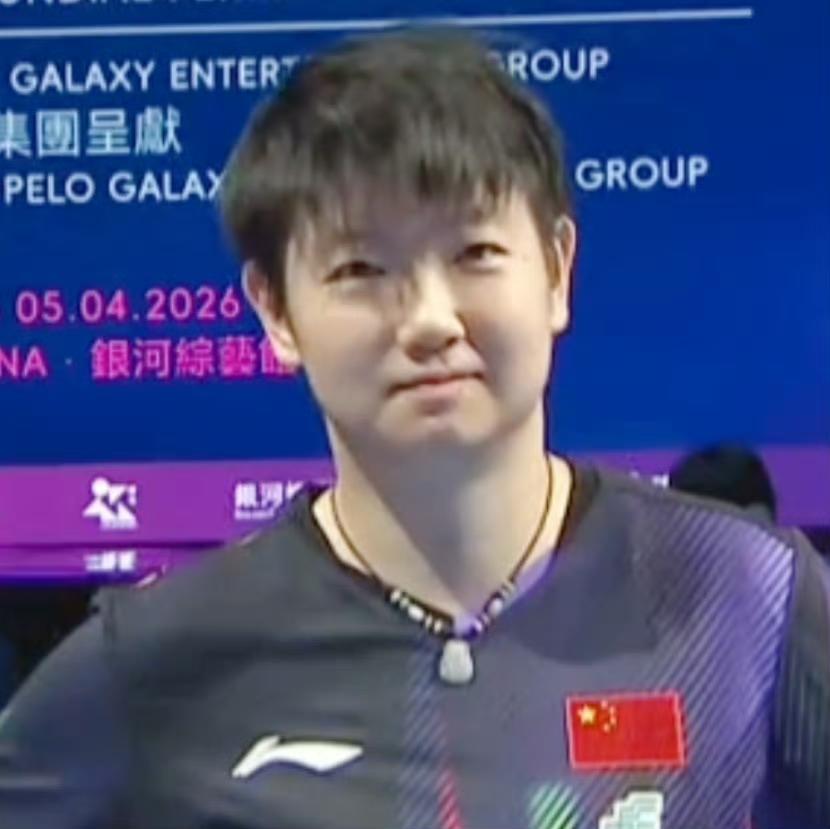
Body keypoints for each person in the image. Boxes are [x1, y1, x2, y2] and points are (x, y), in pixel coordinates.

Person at [0, 27, 827, 829]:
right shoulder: (158, 659)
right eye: (362, 269)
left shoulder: (747, 591)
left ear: (556, 271)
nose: (431, 318)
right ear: (276, 310)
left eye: (475, 253)